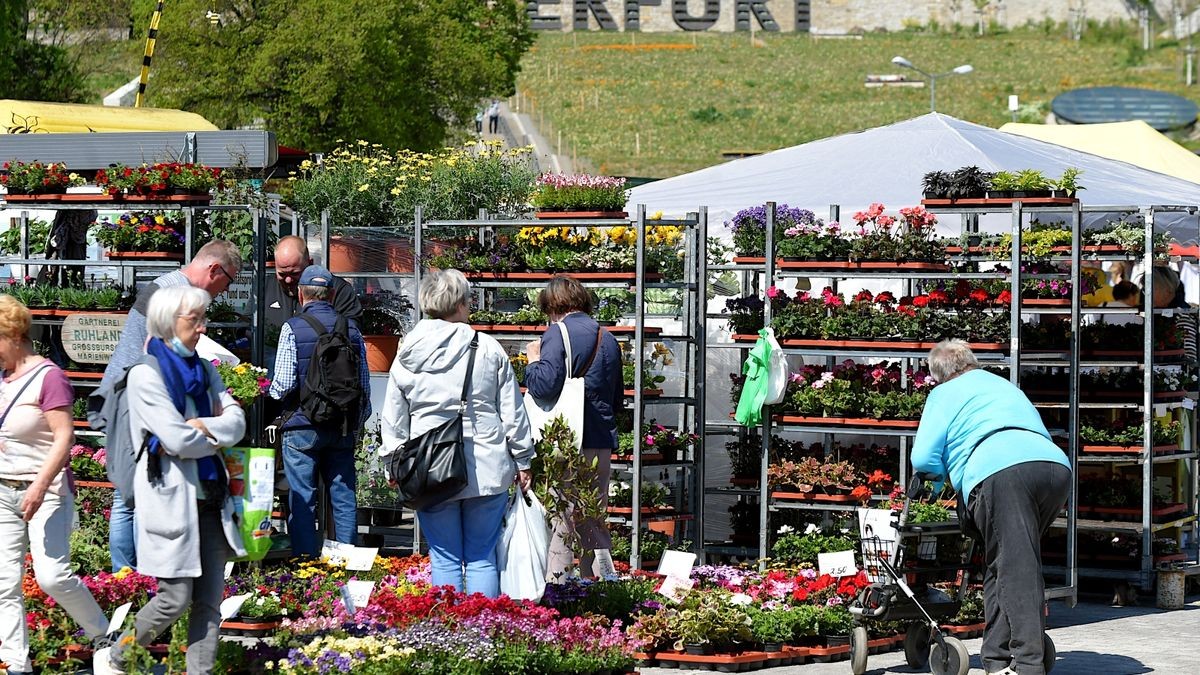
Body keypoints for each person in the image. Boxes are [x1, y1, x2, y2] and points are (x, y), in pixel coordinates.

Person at [92, 286, 246, 675]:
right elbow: (175, 438)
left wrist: (201, 427)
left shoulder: (206, 368)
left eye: (201, 318)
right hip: (171, 500)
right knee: (173, 599)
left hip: (212, 498)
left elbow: (238, 422)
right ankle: (116, 656)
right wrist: (211, 433)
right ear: (167, 322)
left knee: (210, 602)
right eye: (193, 319)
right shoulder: (146, 373)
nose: (202, 326)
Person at [911, 339, 1071, 675]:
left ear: (940, 375)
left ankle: (1029, 664)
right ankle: (996, 659)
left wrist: (938, 480)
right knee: (1008, 562)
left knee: (1016, 567)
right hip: (1053, 468)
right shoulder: (1003, 385)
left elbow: (923, 457)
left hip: (1002, 471)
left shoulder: (944, 393)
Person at [381, 269, 534, 597]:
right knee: (481, 557)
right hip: (486, 464)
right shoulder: (488, 348)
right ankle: (482, 633)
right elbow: (512, 412)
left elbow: (394, 415)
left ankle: (447, 634)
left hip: (428, 466)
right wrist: (523, 459)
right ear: (462, 304)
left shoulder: (407, 352)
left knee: (445, 556)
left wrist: (393, 462)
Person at [94, 240, 243, 574]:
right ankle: (130, 576)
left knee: (133, 493)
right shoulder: (170, 292)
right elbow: (156, 351)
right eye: (228, 281)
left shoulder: (170, 288)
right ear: (214, 269)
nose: (225, 290)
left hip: (135, 393)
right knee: (129, 495)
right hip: (133, 399)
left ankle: (134, 577)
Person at [0, 296, 110, 675]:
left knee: (52, 576)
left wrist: (38, 485)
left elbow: (64, 438)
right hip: (3, 488)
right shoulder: (2, 377)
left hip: (45, 489)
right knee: (3, 582)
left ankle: (103, 635)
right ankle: (17, 663)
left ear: (12, 335)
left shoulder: (49, 377)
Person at [523, 275, 622, 579]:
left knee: (562, 517)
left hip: (565, 441)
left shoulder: (557, 333)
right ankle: (602, 583)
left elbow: (544, 385)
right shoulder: (608, 338)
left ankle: (559, 586)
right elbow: (617, 397)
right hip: (600, 438)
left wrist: (532, 361)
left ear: (552, 305)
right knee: (593, 516)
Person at [268, 265, 371, 557]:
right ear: (333, 294)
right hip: (341, 427)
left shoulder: (292, 327)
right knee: (343, 495)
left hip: (302, 426)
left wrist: (268, 393)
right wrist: (355, 422)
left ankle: (305, 563)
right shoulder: (351, 328)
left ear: (301, 294)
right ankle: (348, 561)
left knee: (303, 497)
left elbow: (283, 385)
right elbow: (363, 383)